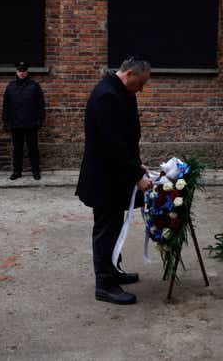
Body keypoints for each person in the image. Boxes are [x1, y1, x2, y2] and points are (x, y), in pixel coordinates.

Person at [76, 58, 153, 305]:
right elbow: (113, 144)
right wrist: (136, 175)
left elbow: (127, 138)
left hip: (114, 175)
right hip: (104, 178)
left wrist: (136, 164)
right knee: (106, 230)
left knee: (114, 227)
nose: (141, 89)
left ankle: (114, 271)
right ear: (129, 74)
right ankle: (105, 284)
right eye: (140, 83)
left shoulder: (119, 91)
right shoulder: (107, 96)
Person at [2, 62, 45, 180]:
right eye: (19, 71)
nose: (21, 73)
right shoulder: (10, 86)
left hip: (31, 123)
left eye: (24, 71)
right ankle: (17, 171)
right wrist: (6, 121)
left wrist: (40, 120)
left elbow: (40, 104)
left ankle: (35, 171)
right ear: (16, 72)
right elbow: (6, 105)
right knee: (17, 149)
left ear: (27, 72)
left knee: (33, 149)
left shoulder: (34, 86)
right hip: (15, 123)